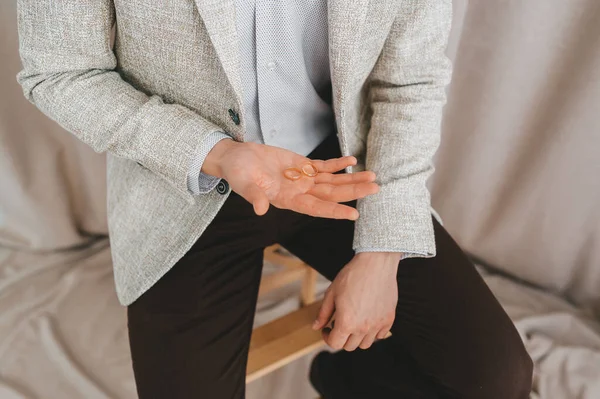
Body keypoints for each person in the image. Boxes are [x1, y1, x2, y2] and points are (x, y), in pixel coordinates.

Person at [16, 0, 533, 398]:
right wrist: (215, 154)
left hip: (340, 164)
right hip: (182, 182)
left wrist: (382, 254)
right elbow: (59, 72)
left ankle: (342, 379)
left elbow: (408, 82)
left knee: (495, 374)